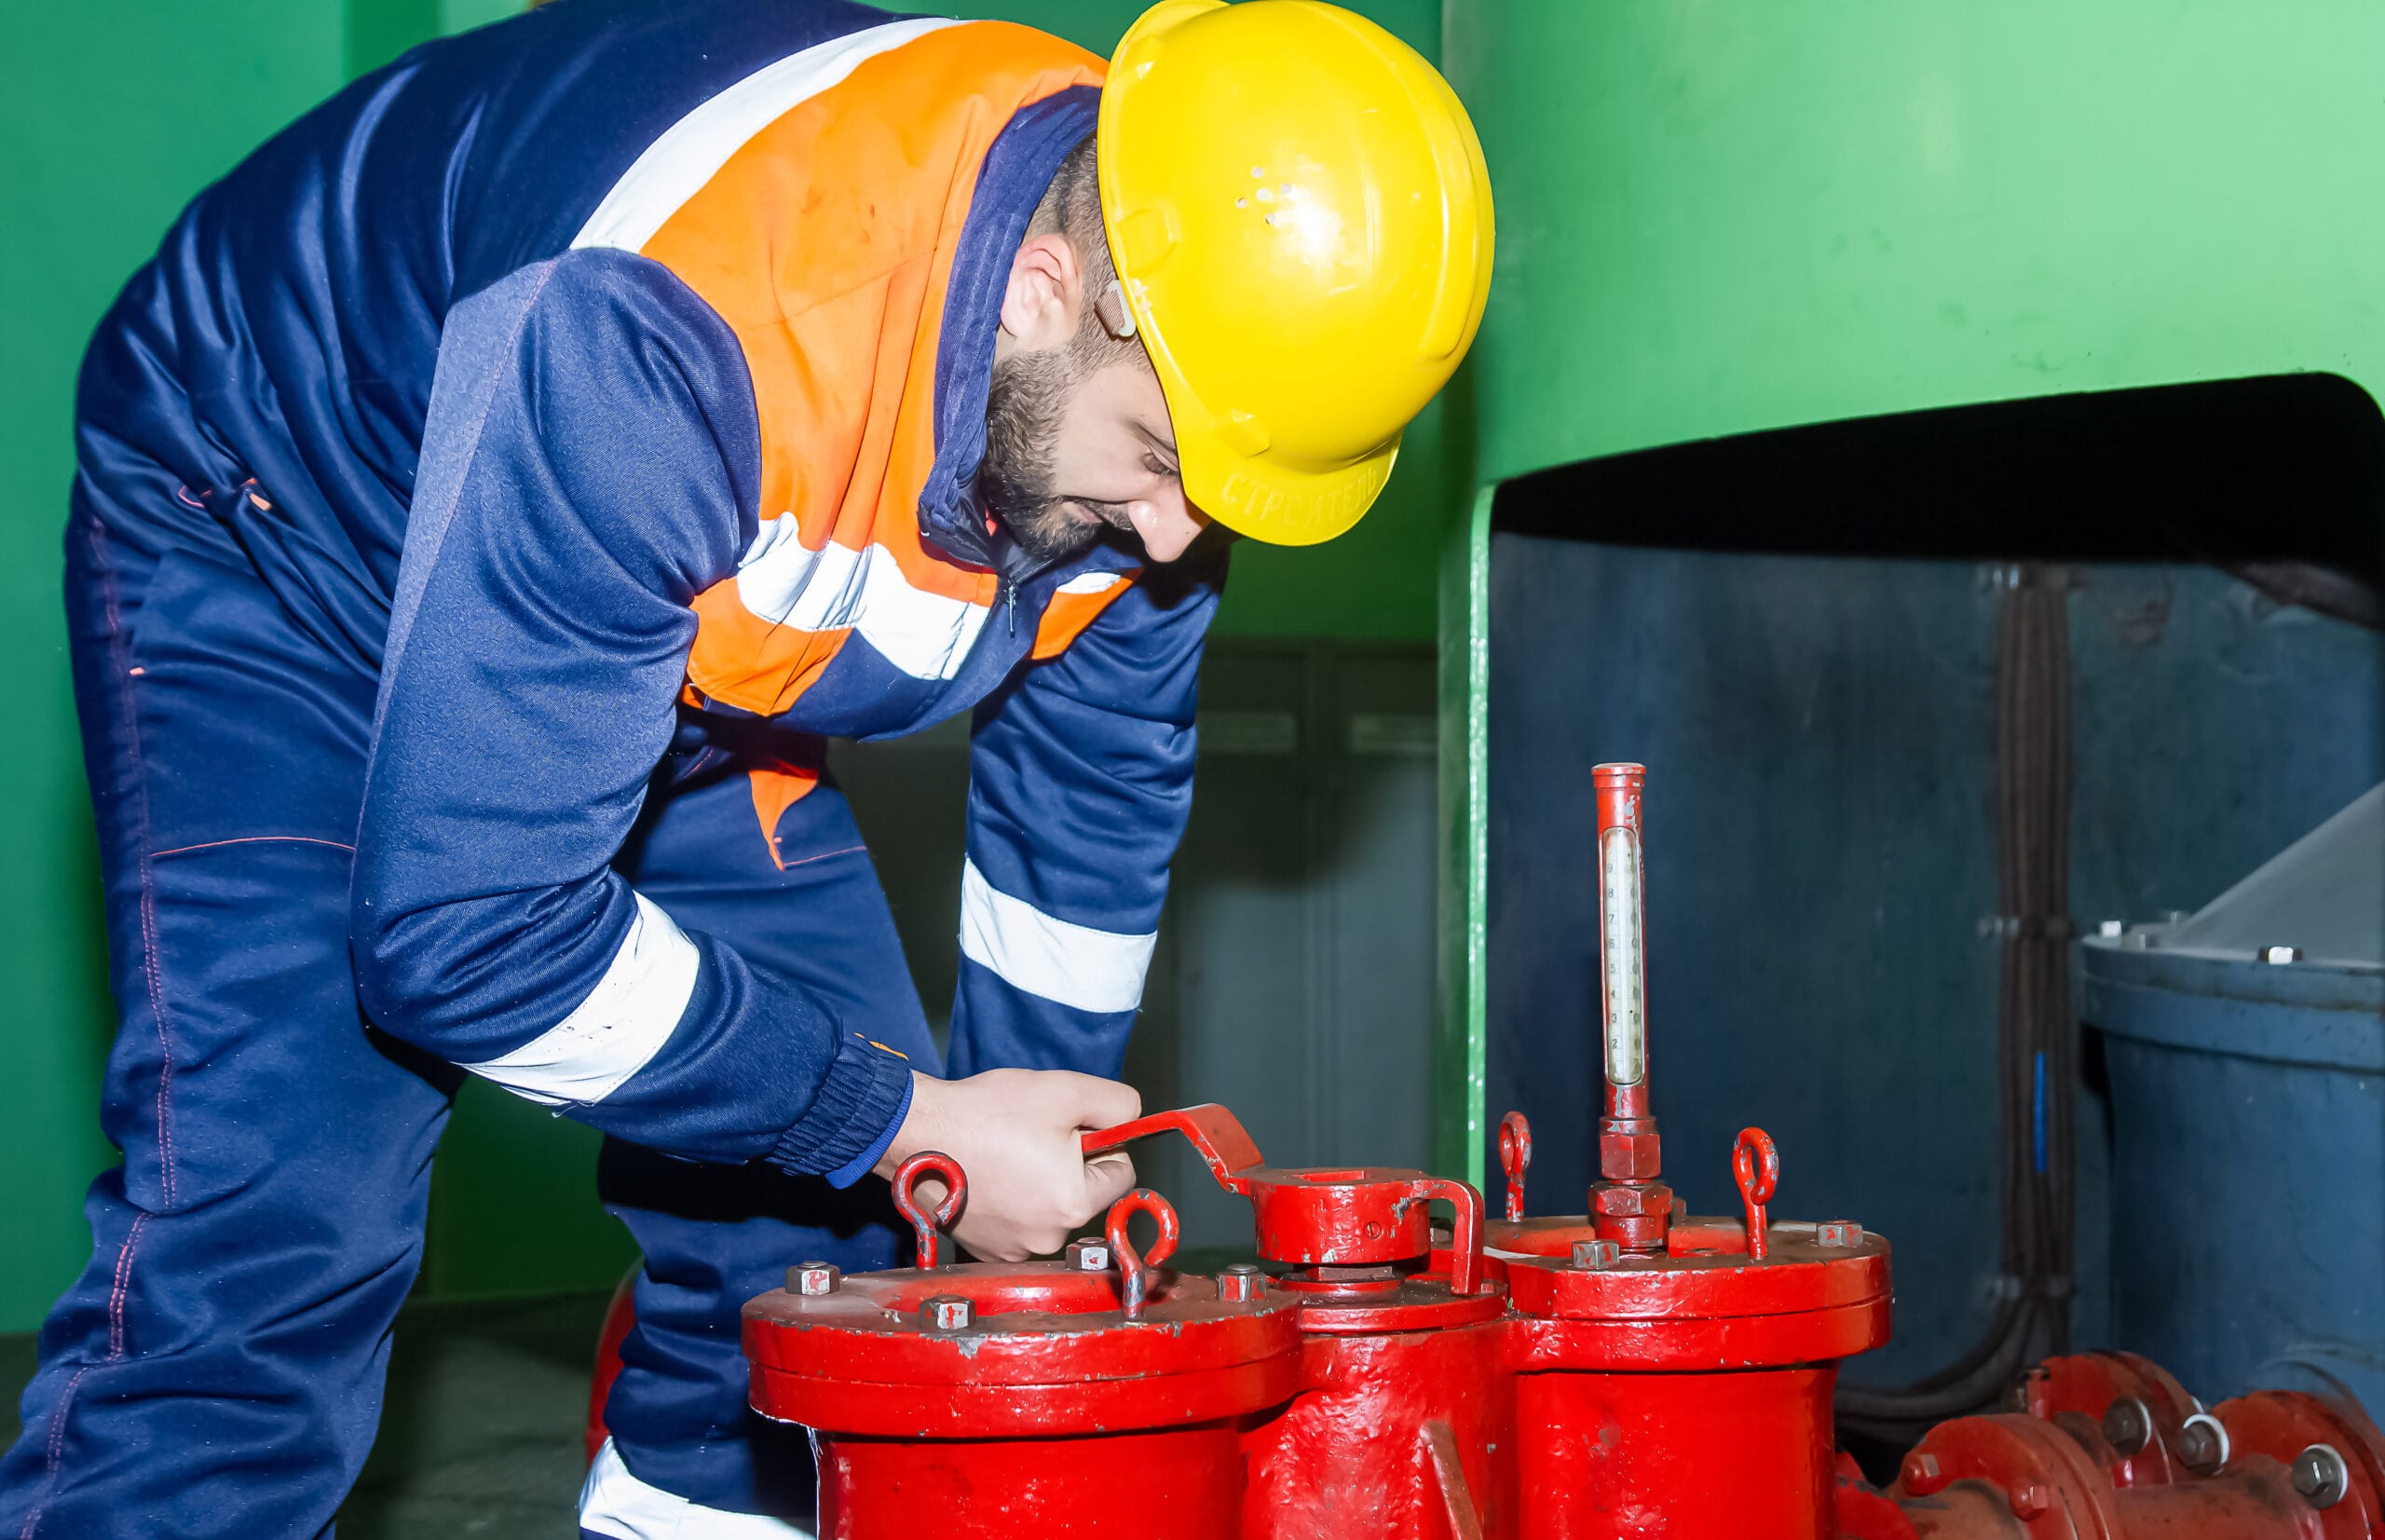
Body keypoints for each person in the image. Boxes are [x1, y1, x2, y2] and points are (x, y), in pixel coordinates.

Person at [0, 0, 1491, 1533]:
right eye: (1165, 464)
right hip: (281, 536)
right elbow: (464, 940)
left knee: (831, 1269)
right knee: (281, 1225)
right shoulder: (677, 328)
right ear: (1044, 291)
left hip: (652, 615)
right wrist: (914, 1123)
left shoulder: (1179, 350)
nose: (1183, 542)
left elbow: (1089, 808)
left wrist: (1017, 1162)